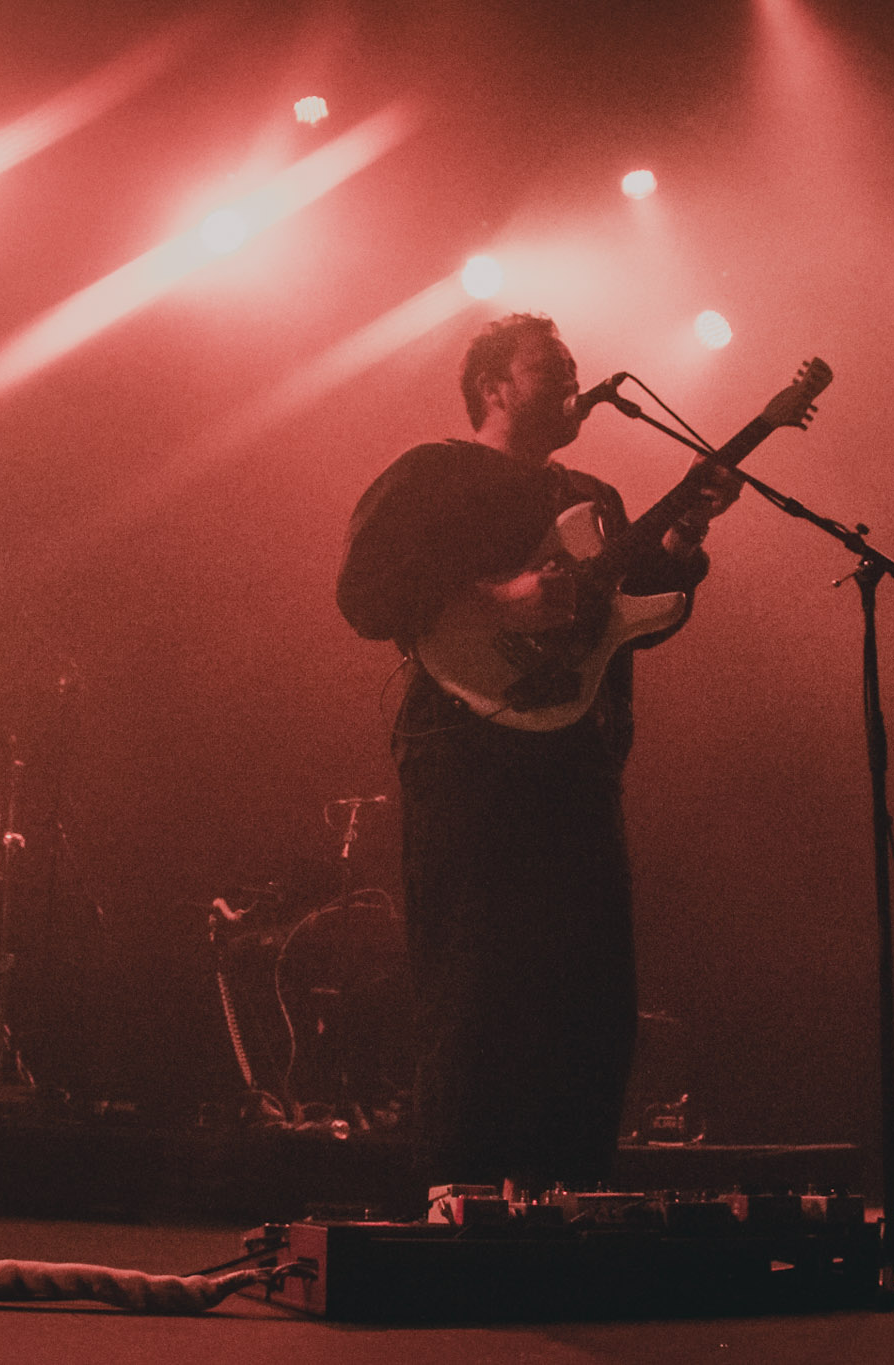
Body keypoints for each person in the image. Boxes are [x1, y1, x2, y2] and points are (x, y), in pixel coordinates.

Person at [336, 314, 738, 1192]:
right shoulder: (433, 474)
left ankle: (573, 1197)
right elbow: (365, 592)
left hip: (576, 761)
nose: (572, 379)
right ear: (493, 386)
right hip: (466, 750)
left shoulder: (594, 493)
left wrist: (681, 542)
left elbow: (628, 617)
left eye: (574, 367)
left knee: (593, 990)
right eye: (549, 367)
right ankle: (461, 1199)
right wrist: (498, 598)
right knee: (476, 980)